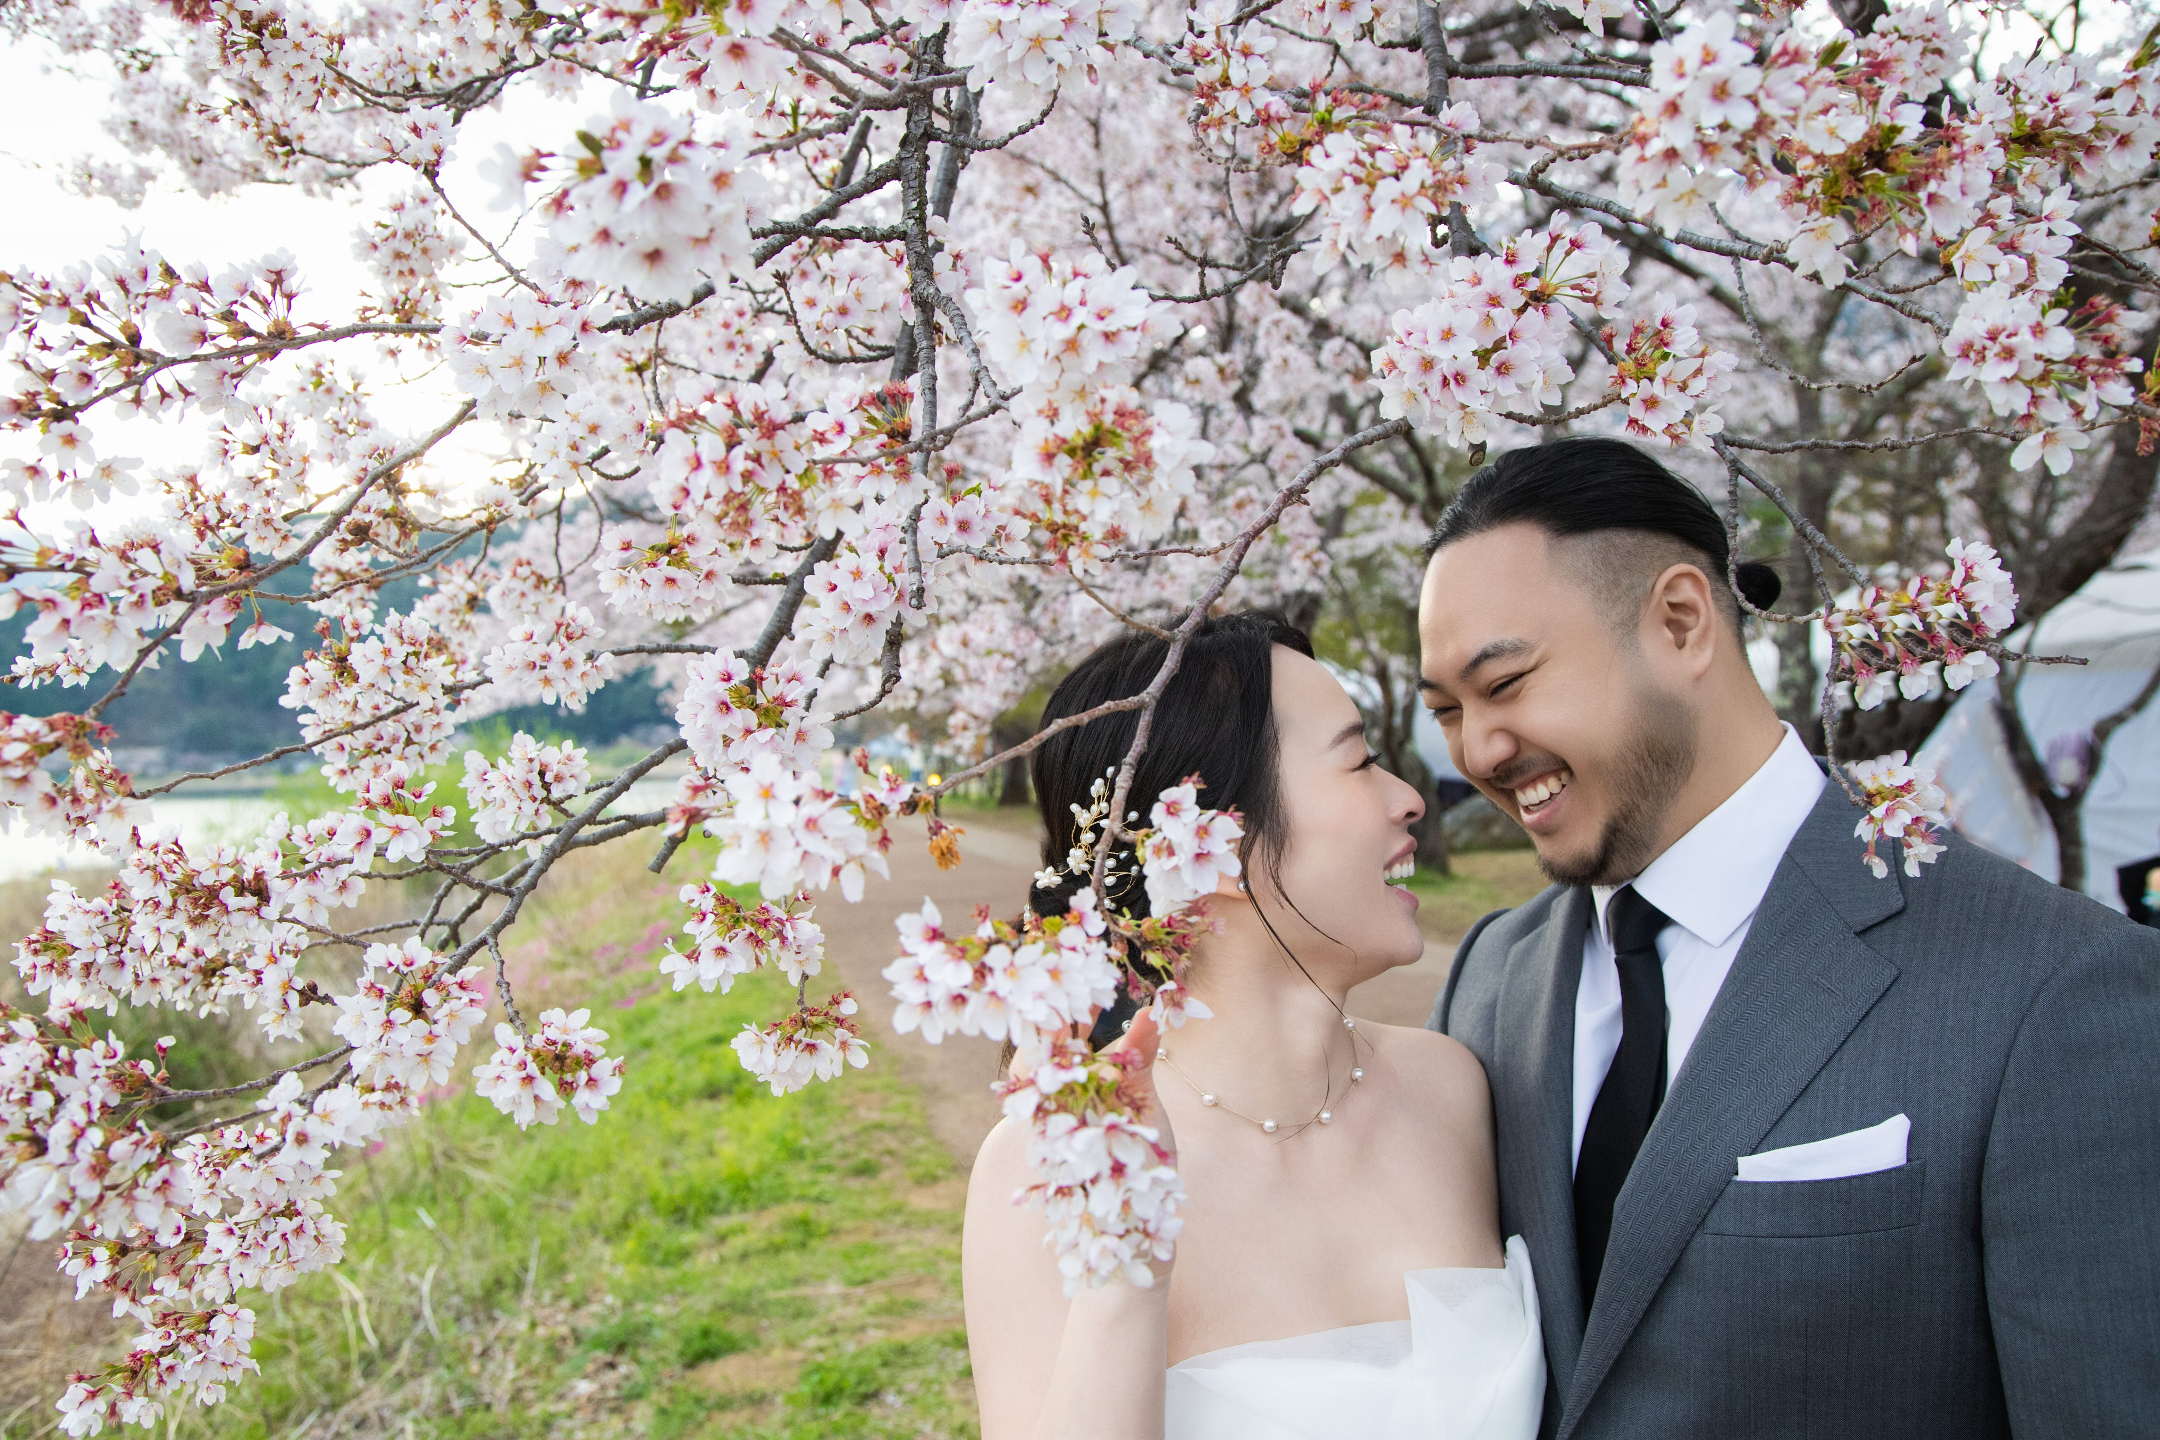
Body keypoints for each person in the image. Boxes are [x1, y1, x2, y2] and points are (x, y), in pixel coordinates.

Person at [1417, 437, 2160, 1439]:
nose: (1479, 752)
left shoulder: (2054, 988)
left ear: (1681, 622)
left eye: (1504, 685)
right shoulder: (1491, 979)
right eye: (1446, 711)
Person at [963, 611, 1546, 1440]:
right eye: (1359, 762)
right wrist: (1128, 1268)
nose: (1411, 798)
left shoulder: (1453, 1088)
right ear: (1210, 845)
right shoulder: (1049, 1170)